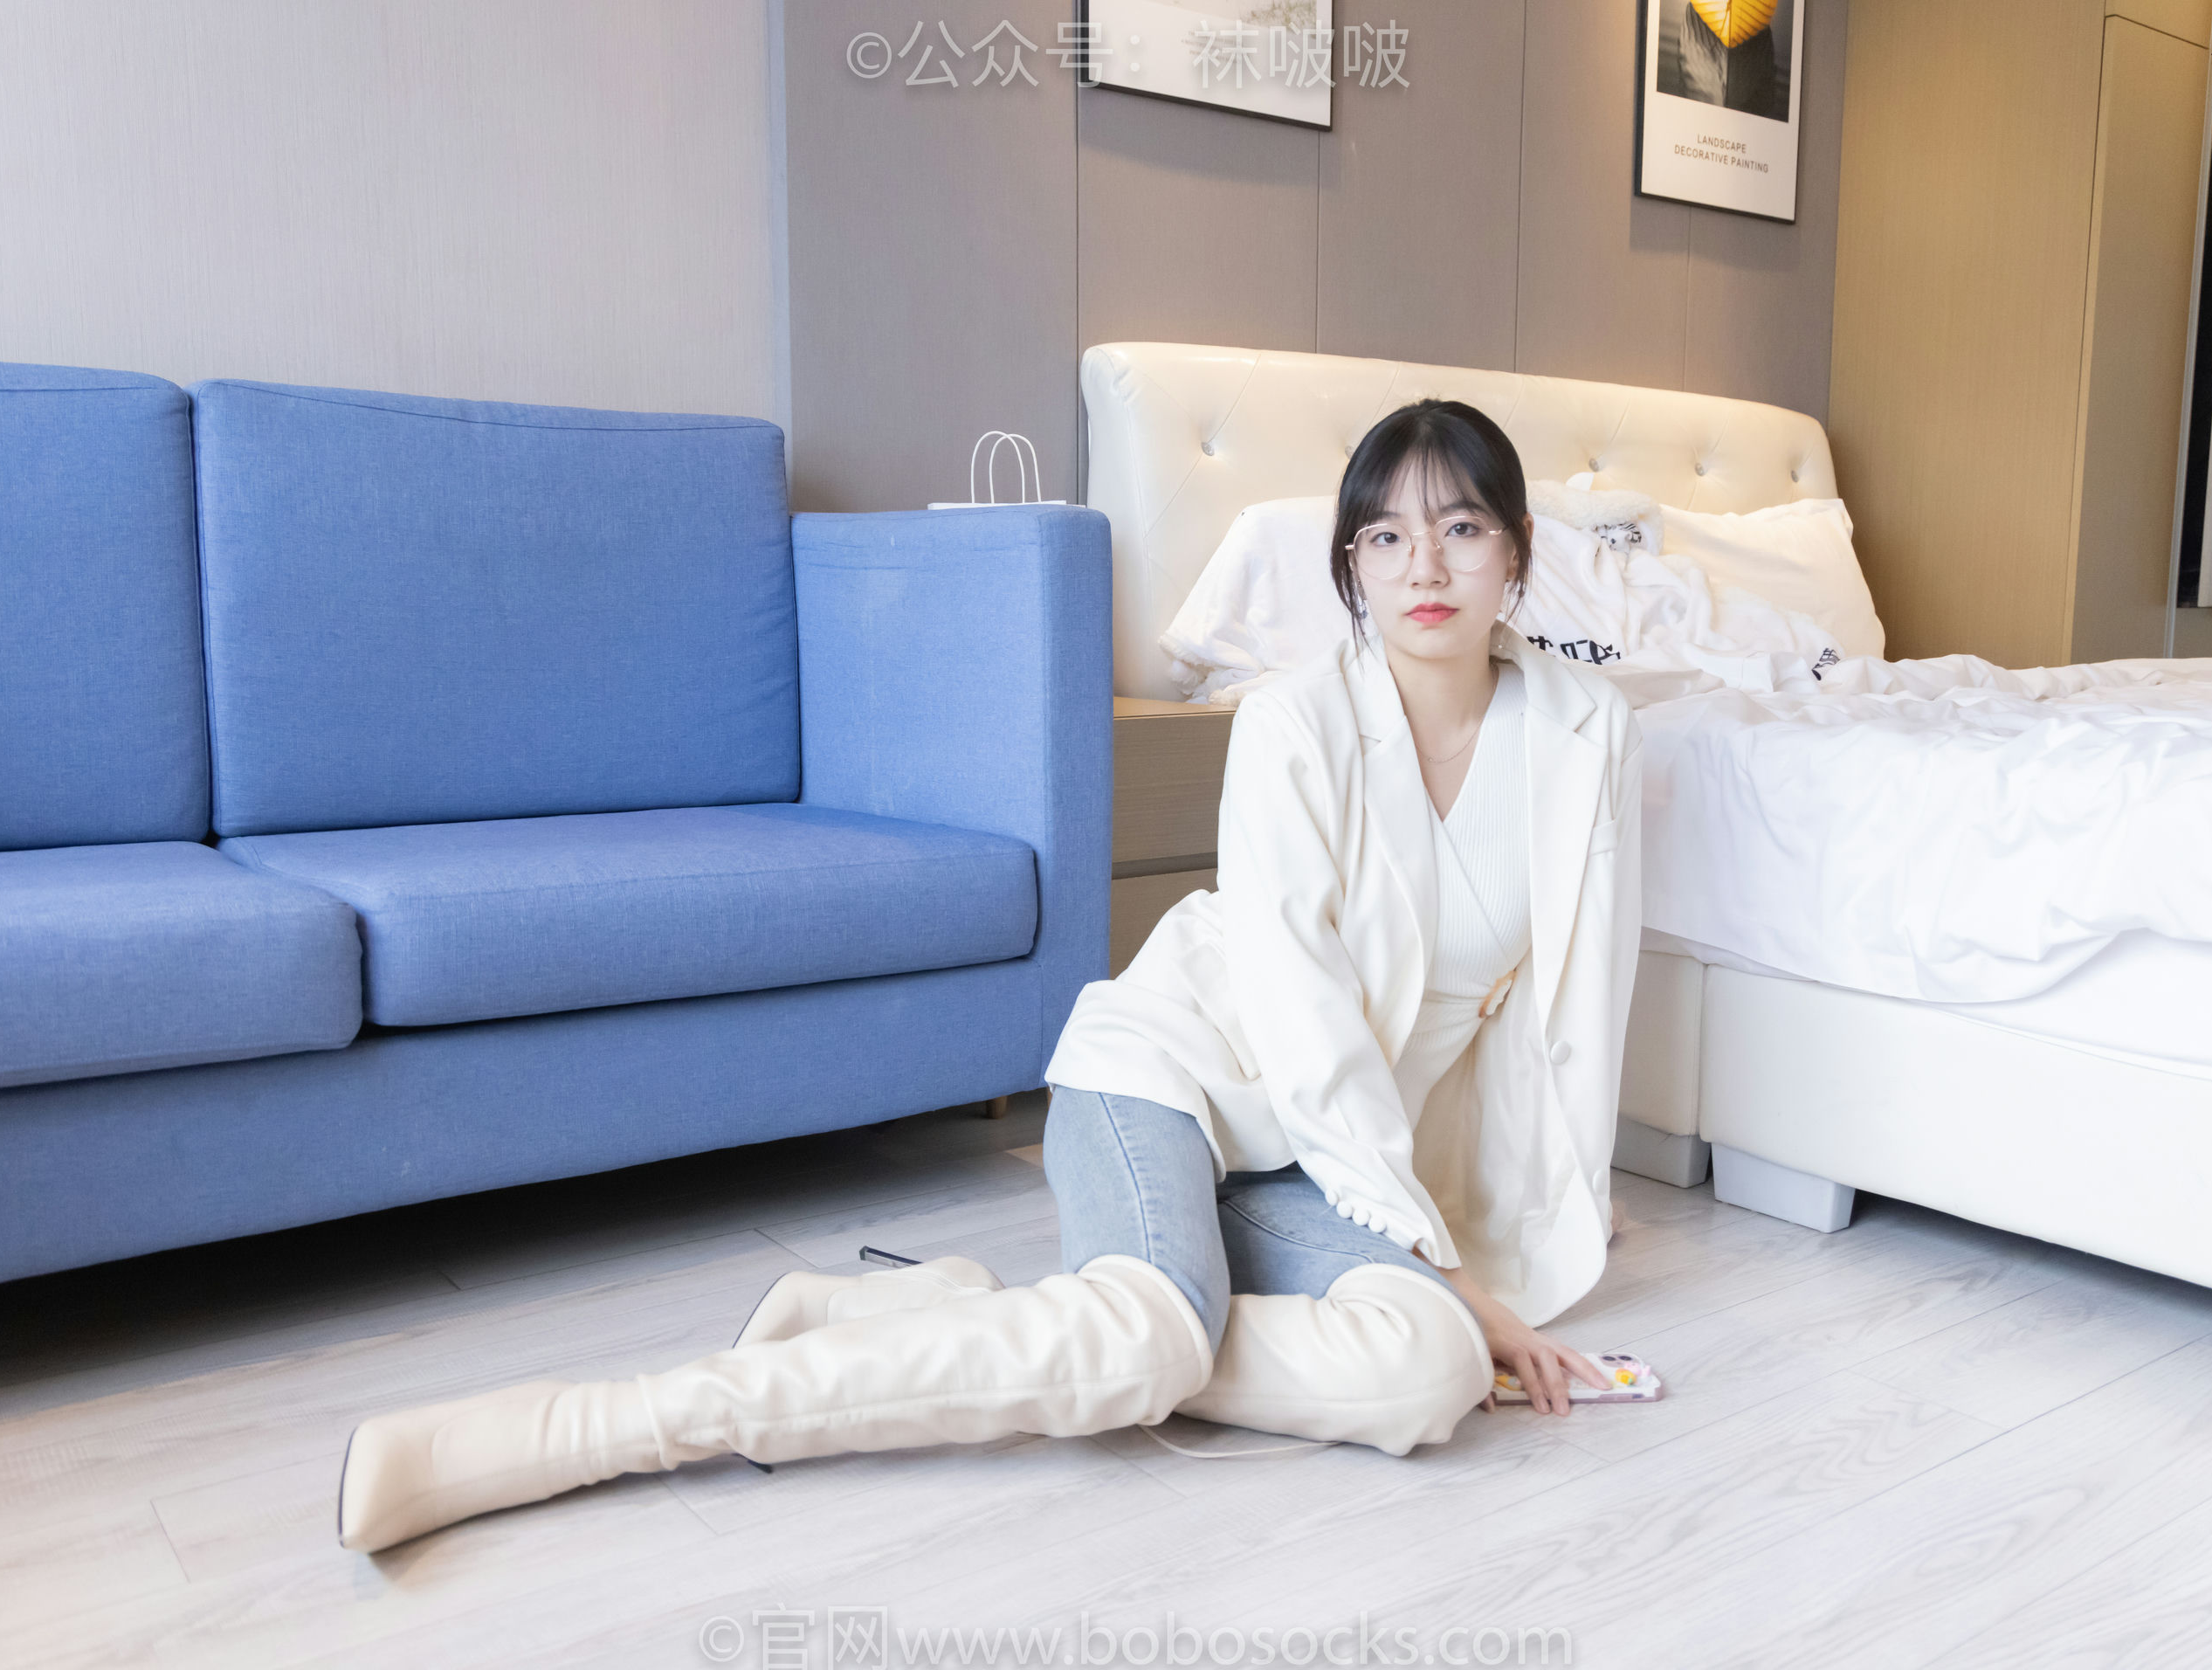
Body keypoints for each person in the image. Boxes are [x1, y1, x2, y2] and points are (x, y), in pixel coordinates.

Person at [333, 399, 1643, 1556]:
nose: (1426, 567)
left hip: (1314, 1158)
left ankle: (963, 1316)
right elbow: (1306, 1022)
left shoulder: (1587, 733)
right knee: (1153, 1334)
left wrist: (1499, 1237)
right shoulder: (1292, 724)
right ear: (1350, 563)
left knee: (1425, 1374)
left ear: (1517, 551)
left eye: (1462, 528)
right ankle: (599, 1427)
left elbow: (1564, 1007)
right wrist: (1444, 1268)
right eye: (1386, 536)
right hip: (1178, 1083)